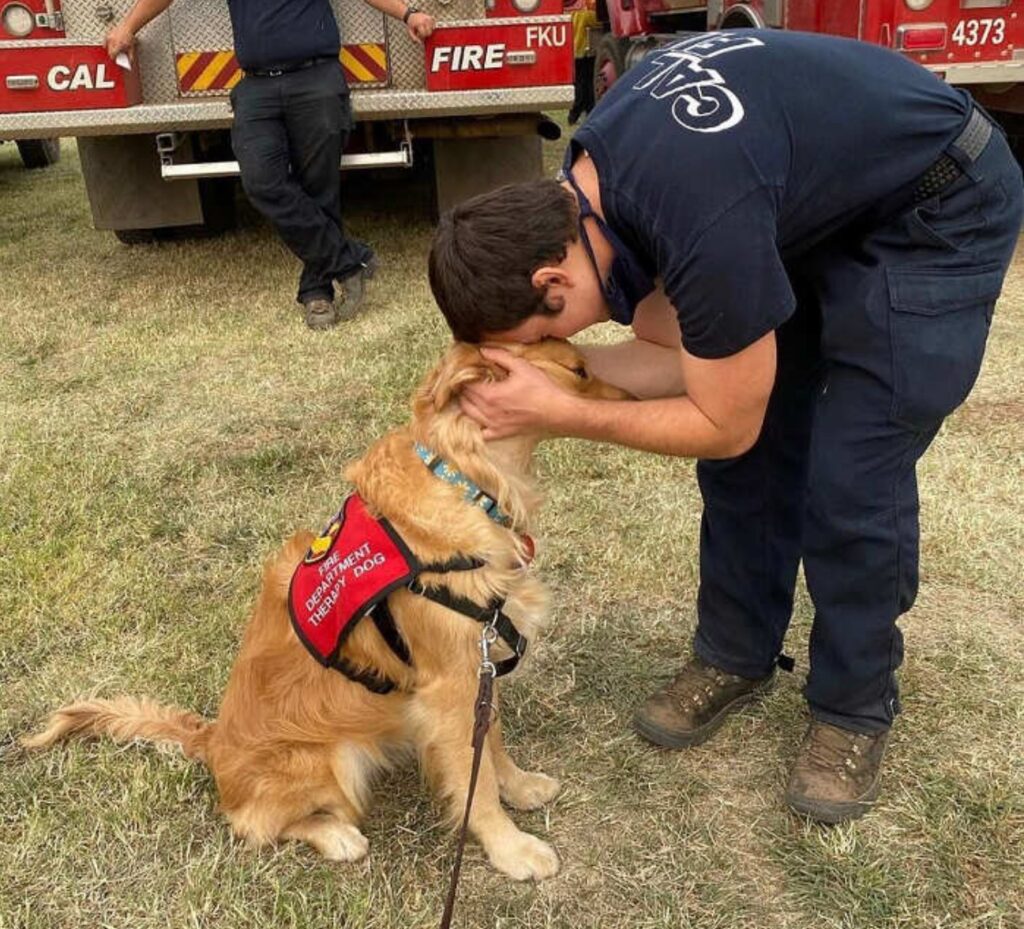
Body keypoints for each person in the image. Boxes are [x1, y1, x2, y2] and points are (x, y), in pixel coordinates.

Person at [427, 30, 1023, 824]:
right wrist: (574, 376)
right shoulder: (591, 190)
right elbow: (685, 356)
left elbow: (722, 418)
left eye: (541, 338)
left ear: (551, 279)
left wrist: (561, 409)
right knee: (754, 452)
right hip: (820, 202)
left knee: (852, 470)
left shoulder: (694, 209)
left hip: (936, 203)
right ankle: (737, 654)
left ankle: (853, 705)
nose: (554, 353)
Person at [106, 0, 435, 330]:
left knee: (318, 188)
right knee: (262, 181)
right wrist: (128, 26)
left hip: (316, 78)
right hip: (257, 86)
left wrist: (408, 13)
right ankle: (348, 260)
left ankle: (316, 292)